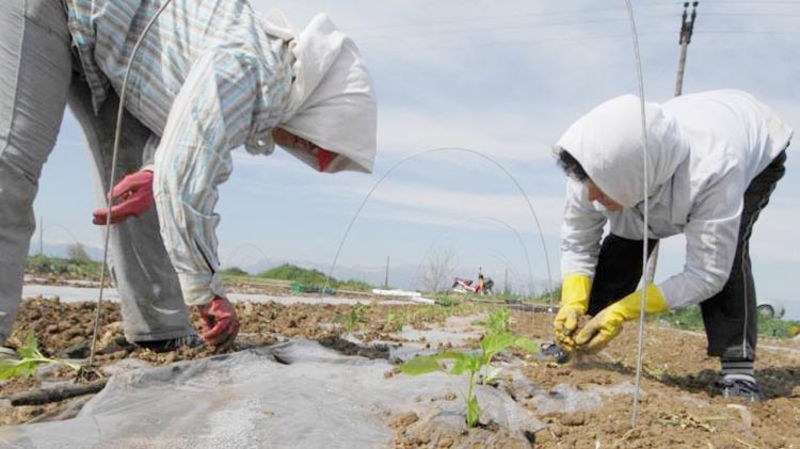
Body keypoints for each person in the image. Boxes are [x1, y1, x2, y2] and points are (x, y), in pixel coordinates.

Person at [0, 0, 376, 358]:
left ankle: (162, 335)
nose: (298, 149)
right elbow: (185, 184)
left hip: (108, 44)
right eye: (311, 148)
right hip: (63, 9)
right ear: (319, 119)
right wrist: (208, 294)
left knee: (142, 181)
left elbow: (180, 149)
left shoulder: (263, 87)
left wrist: (156, 173)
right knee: (11, 162)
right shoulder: (249, 67)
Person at [552, 90, 791, 401]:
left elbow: (707, 274)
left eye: (602, 191)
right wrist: (573, 301)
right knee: (625, 240)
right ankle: (579, 337)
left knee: (728, 254)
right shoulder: (591, 168)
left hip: (753, 142)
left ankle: (738, 368)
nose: (591, 197)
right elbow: (578, 242)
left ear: (635, 178)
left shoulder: (714, 171)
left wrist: (625, 311)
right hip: (673, 150)